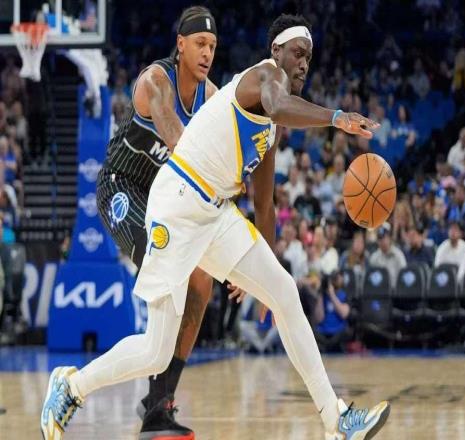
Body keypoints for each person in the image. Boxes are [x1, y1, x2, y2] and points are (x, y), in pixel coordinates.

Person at [41, 15, 390, 440]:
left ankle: (337, 421)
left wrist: (259, 272)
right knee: (155, 351)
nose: (303, 63)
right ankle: (71, 386)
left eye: (309, 58)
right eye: (297, 53)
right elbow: (279, 104)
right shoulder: (264, 76)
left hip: (215, 212)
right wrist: (336, 117)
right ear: (276, 52)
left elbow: (264, 204)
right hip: (177, 203)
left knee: (283, 292)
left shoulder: (271, 129)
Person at [94, 7, 220, 439]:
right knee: (169, 269)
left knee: (202, 282)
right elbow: (177, 141)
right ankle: (80, 385)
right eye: (200, 44)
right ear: (180, 45)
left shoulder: (211, 97)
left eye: (213, 46)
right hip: (122, 187)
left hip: (164, 198)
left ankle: (159, 403)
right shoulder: (156, 81)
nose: (207, 53)